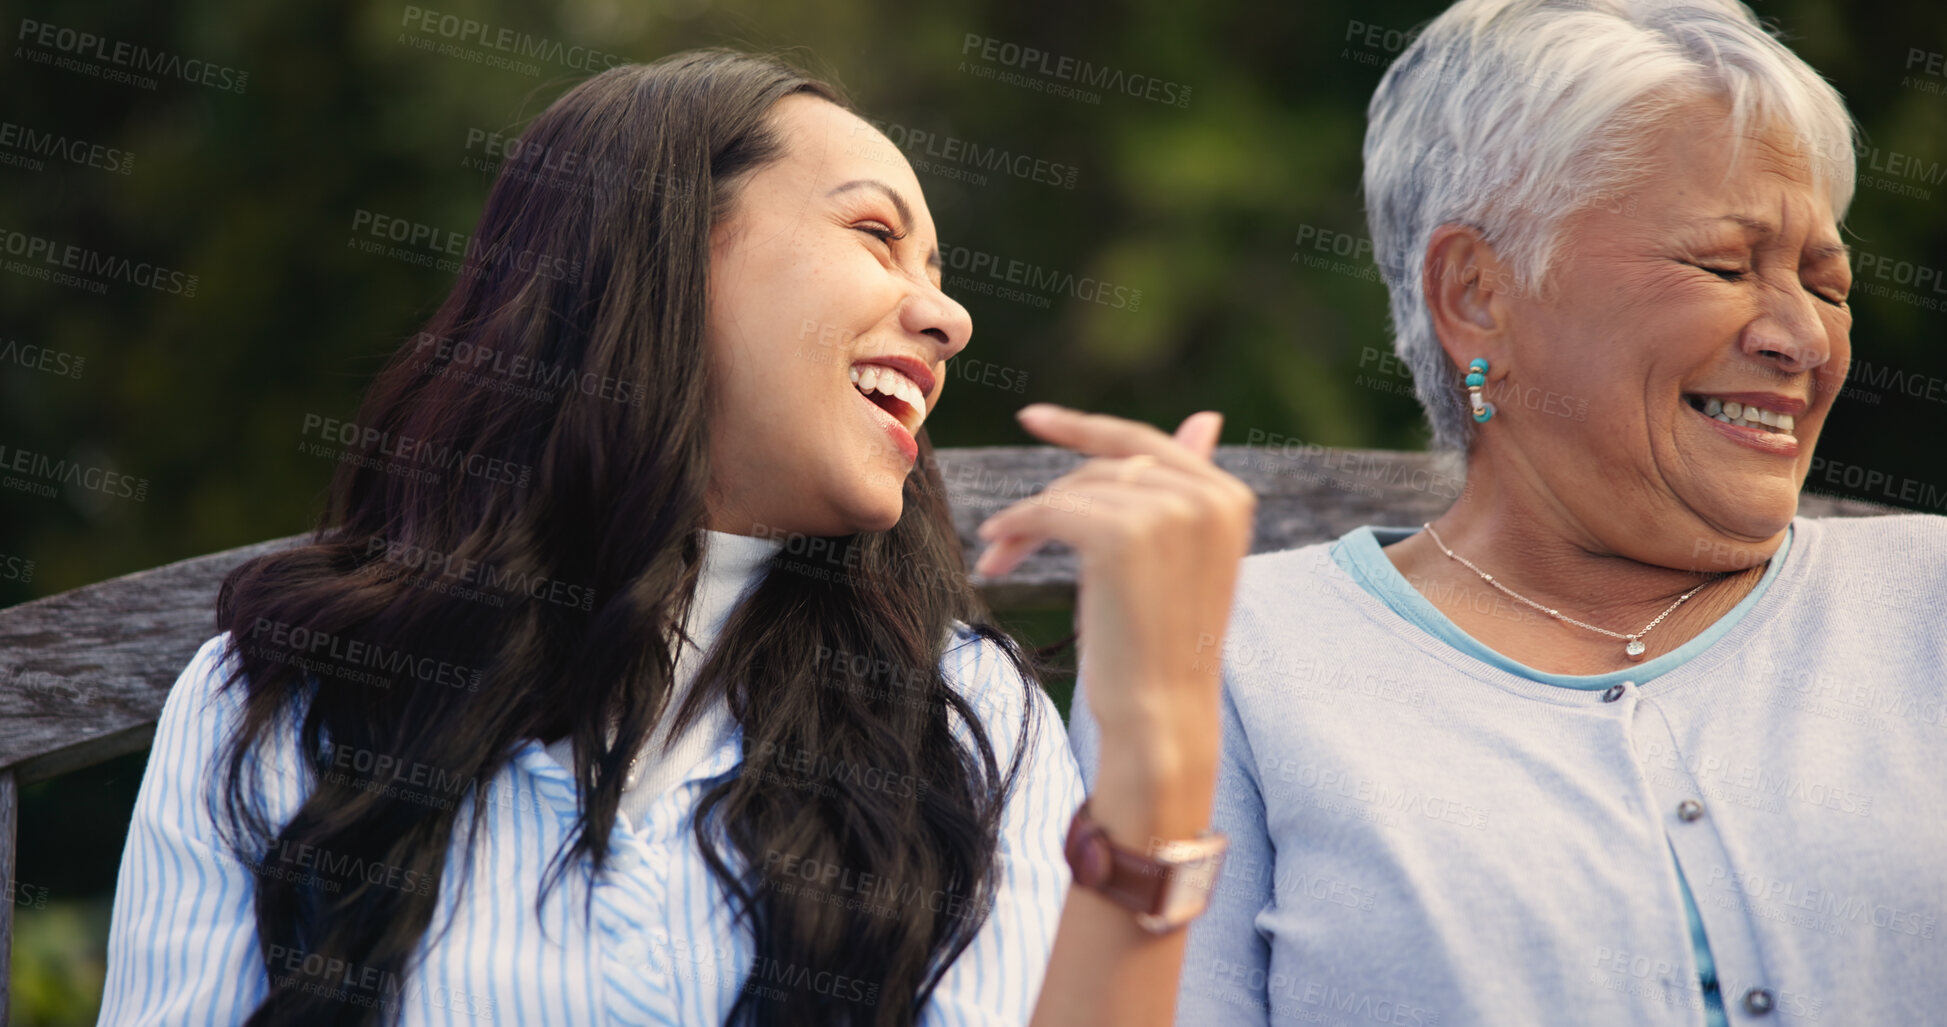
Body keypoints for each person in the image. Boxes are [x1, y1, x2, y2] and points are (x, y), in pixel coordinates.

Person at [97, 50, 1254, 1026]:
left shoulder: (959, 711)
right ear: (654, 248)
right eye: (875, 234)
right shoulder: (290, 699)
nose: (948, 318)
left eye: (941, 275)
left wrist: (1161, 740)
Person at [1070, 0, 1947, 1024]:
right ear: (1477, 295)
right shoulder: (1234, 654)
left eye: (1826, 283)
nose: (1804, 337)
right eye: (1722, 264)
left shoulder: (1924, 600)